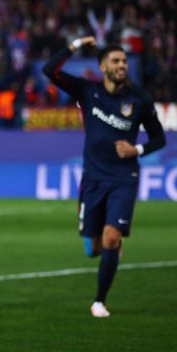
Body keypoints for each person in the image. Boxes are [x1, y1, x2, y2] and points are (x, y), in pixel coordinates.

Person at [42, 36, 166, 318]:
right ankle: (104, 244)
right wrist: (73, 45)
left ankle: (99, 301)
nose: (122, 65)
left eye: (124, 61)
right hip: (93, 178)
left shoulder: (139, 100)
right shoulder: (87, 91)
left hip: (124, 177)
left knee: (110, 238)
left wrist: (138, 148)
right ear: (102, 67)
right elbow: (49, 70)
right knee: (93, 248)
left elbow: (159, 138)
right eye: (115, 61)